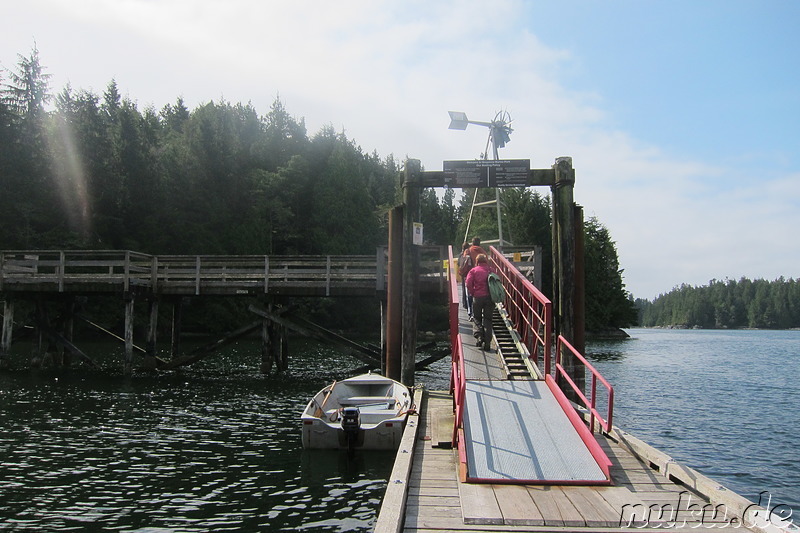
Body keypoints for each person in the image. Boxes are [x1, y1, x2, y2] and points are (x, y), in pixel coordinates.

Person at [465, 253, 493, 351]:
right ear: (485, 261)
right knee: (488, 319)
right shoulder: (490, 270)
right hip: (489, 297)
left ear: (477, 261)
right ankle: (488, 342)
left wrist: (473, 292)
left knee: (476, 318)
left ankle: (479, 336)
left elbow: (468, 283)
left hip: (478, 297)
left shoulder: (473, 271)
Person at [458, 237, 487, 318]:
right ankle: (481, 312)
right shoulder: (483, 252)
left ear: (472, 243)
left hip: (469, 274)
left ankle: (470, 312)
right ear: (479, 243)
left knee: (469, 293)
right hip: (482, 275)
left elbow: (463, 263)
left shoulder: (468, 251)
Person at [457, 242, 473, 316]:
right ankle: (470, 305)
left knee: (464, 288)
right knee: (469, 290)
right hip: (469, 273)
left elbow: (458, 263)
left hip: (463, 273)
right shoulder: (469, 254)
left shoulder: (461, 254)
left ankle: (464, 304)